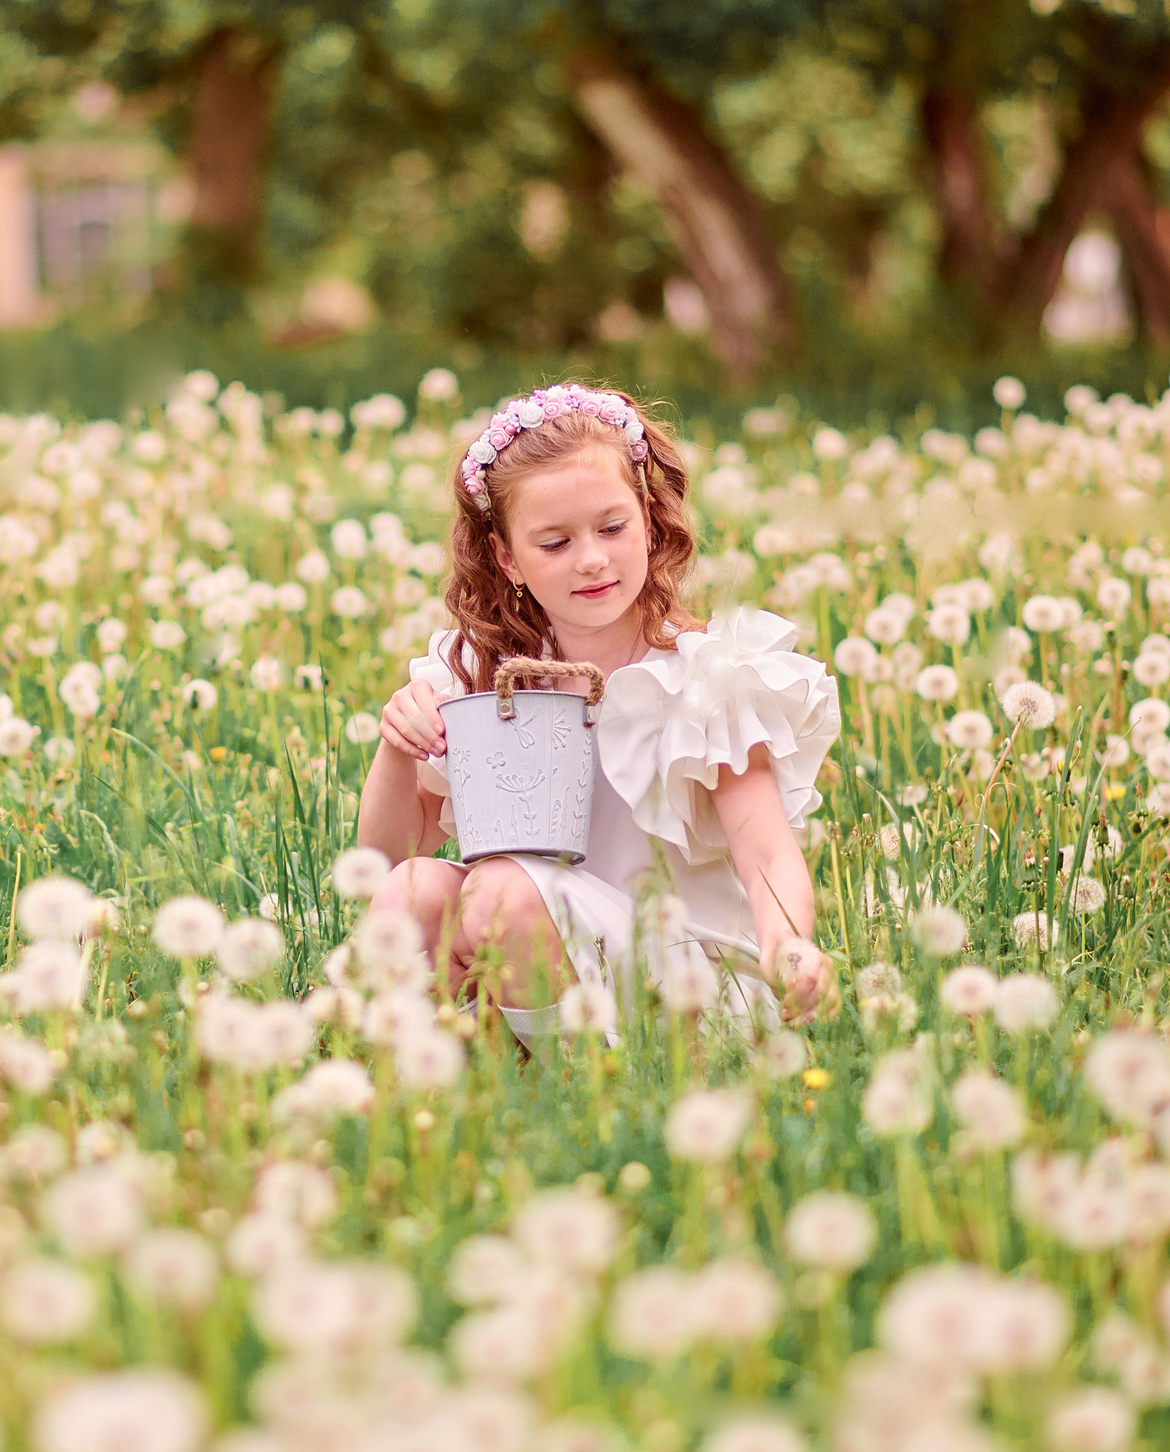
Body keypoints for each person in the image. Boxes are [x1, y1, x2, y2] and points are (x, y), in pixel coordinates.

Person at [356, 380, 843, 1048]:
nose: (591, 559)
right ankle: (456, 1067)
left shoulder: (705, 679)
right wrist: (398, 745)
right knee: (415, 891)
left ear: (648, 518)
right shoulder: (483, 674)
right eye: (554, 543)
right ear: (507, 558)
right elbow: (382, 862)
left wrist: (789, 944)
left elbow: (765, 853)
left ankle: (579, 1092)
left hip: (683, 983)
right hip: (531, 930)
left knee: (501, 888)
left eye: (612, 527)